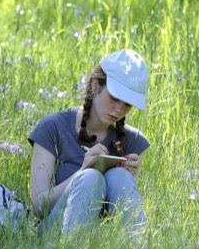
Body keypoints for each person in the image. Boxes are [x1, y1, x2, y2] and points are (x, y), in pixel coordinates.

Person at [28, 49, 150, 236]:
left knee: (120, 176)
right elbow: (38, 207)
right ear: (95, 85)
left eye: (127, 104)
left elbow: (118, 214)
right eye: (115, 98)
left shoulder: (133, 140)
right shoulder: (52, 127)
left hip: (105, 243)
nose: (119, 109)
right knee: (89, 178)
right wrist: (81, 173)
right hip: (54, 236)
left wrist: (130, 179)